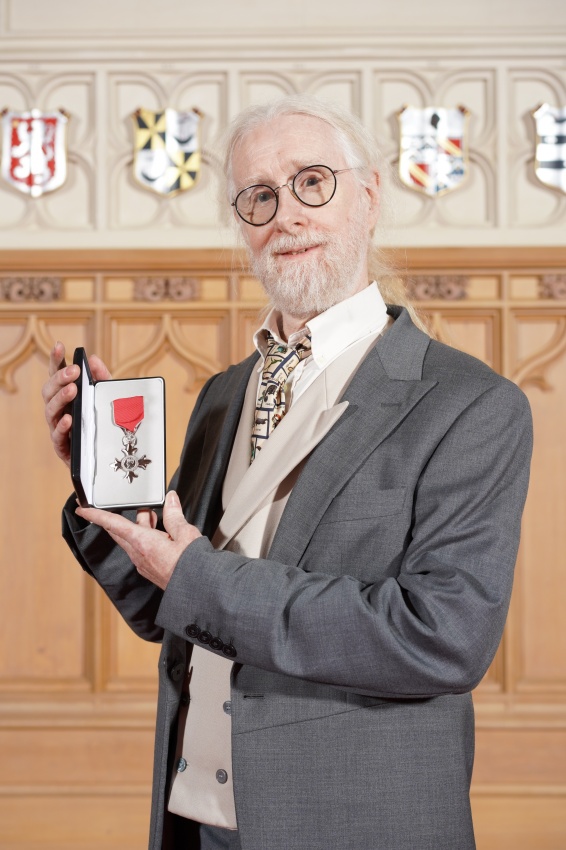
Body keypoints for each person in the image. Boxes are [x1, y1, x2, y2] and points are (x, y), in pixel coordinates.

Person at [43, 95, 533, 850]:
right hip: (197, 820)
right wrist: (103, 485)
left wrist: (197, 576)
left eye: (312, 183)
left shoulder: (470, 406)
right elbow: (170, 603)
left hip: (351, 822)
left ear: (368, 198)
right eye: (259, 197)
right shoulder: (224, 395)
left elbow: (443, 637)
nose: (285, 216)